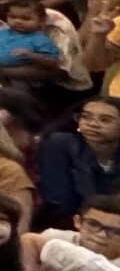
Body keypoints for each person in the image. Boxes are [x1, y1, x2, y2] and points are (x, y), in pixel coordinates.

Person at [35, 95, 120, 227]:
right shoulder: (60, 144)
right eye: (86, 117)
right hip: (65, 225)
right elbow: (58, 200)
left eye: (105, 120)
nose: (92, 124)